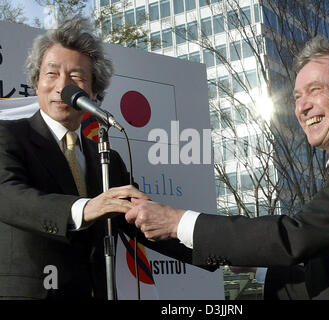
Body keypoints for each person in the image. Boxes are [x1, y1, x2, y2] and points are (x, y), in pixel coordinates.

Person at [126, 37, 329, 299]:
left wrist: (178, 222)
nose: (302, 107)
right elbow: (327, 278)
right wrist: (252, 266)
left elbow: (297, 235)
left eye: (315, 90)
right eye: (296, 96)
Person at [0, 18, 192, 300]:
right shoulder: (9, 135)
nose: (61, 87)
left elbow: (146, 221)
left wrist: (222, 249)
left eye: (76, 78)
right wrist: (86, 208)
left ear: (94, 93)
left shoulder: (107, 159)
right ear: (36, 82)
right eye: (51, 74)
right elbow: (9, 196)